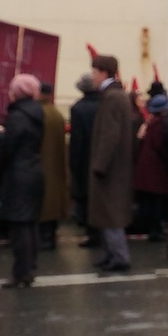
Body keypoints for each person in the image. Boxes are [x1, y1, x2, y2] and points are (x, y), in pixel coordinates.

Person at [0, 74, 46, 289]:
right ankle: (30, 267)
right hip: (34, 171)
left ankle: (21, 272)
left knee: (18, 225)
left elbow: (8, 149)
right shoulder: (37, 114)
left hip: (18, 174)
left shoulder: (17, 117)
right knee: (30, 222)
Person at [88, 55, 137, 273]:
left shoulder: (112, 97)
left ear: (104, 73)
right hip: (116, 165)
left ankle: (118, 256)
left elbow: (110, 134)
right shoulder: (116, 95)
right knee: (108, 213)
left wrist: (99, 164)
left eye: (95, 72)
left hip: (111, 167)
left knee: (111, 214)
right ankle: (111, 254)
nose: (93, 77)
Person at [133, 91, 168, 241]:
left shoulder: (149, 123)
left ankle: (153, 228)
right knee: (156, 200)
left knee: (150, 200)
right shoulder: (159, 124)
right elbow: (160, 145)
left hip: (147, 168)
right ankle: (155, 230)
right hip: (156, 169)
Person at [69, 73, 103, 248]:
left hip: (84, 159)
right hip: (103, 155)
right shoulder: (104, 105)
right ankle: (103, 233)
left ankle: (92, 234)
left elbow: (77, 140)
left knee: (86, 197)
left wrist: (73, 162)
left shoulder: (77, 109)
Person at [37, 83, 70, 250]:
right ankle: (50, 236)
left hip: (40, 164)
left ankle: (44, 239)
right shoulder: (56, 113)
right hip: (55, 165)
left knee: (43, 204)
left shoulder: (38, 113)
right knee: (53, 202)